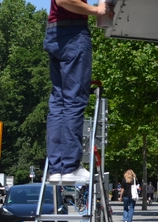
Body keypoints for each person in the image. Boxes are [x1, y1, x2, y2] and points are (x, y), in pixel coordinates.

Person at [44, 0, 112, 183]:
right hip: (72, 33)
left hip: (57, 32)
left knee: (59, 102)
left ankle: (57, 168)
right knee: (74, 100)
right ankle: (70, 167)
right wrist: (96, 10)